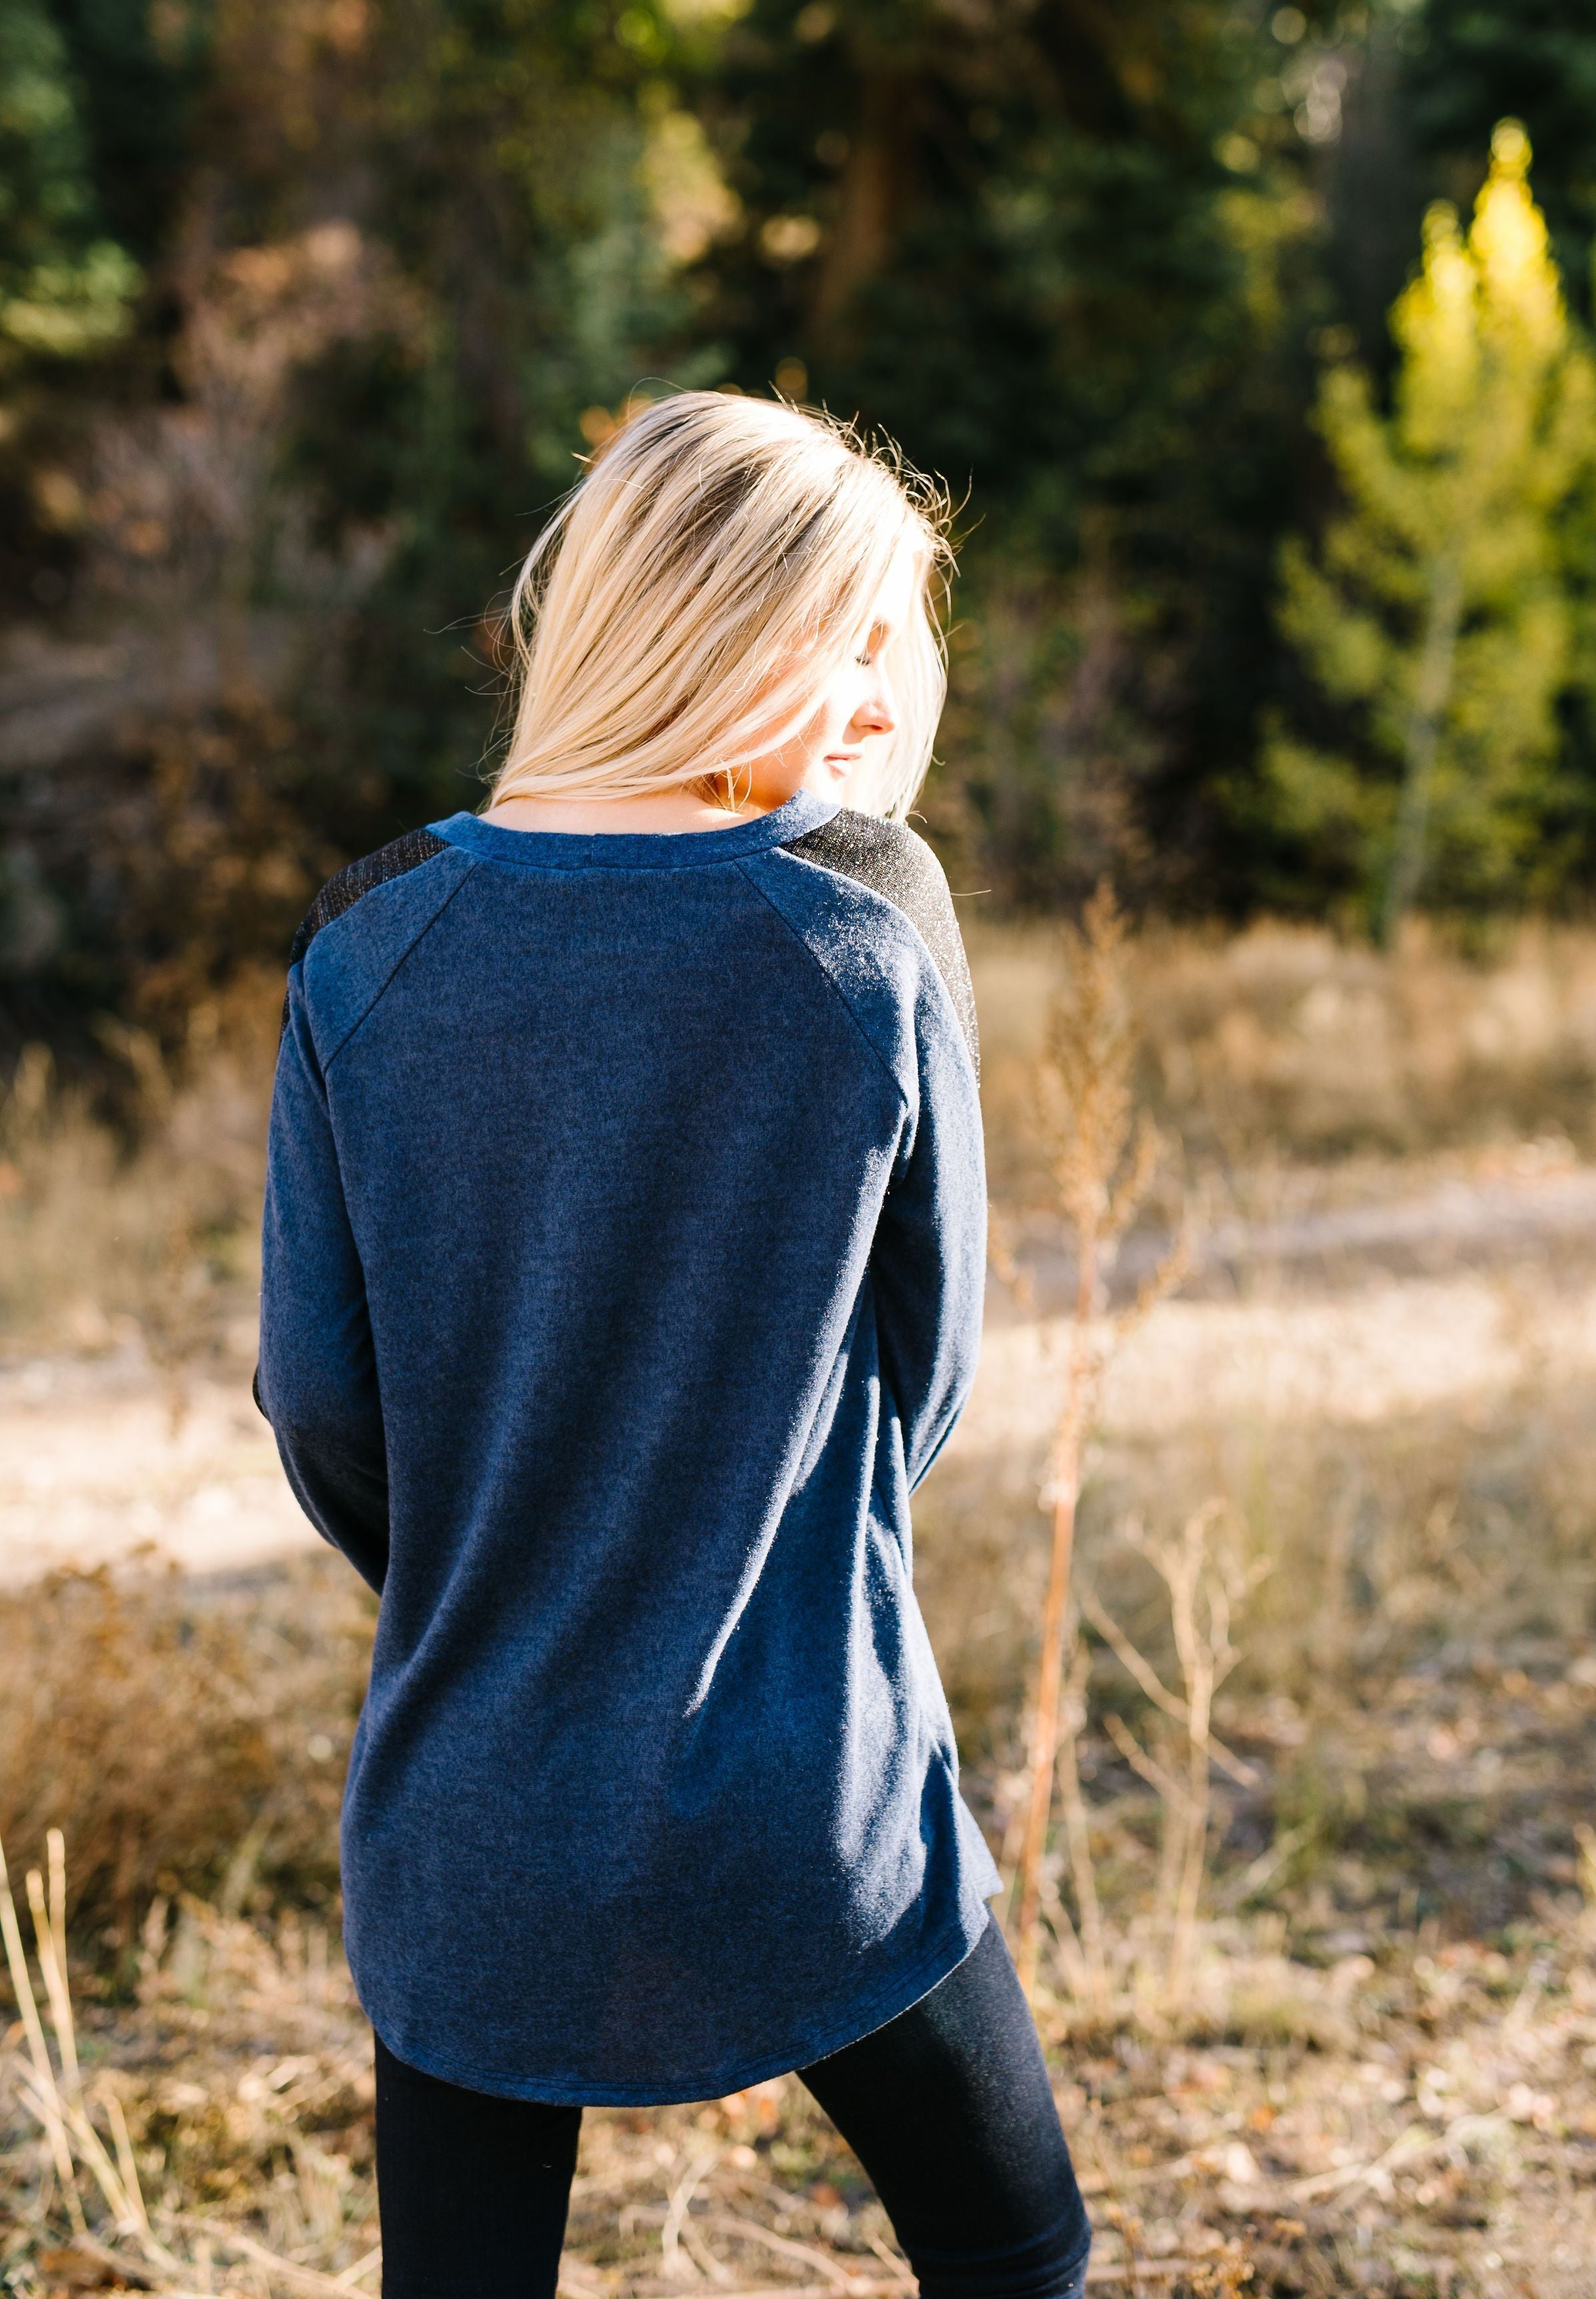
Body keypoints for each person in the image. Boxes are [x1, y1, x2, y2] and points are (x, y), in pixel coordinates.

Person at [256, 390, 1091, 2299]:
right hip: (817, 1797)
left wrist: (507, 1573)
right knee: (1013, 2250)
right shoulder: (868, 923)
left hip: (477, 1812)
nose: (893, 697)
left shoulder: (365, 946)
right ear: (766, 631)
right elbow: (925, 1370)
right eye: (874, 639)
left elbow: (323, 1409)